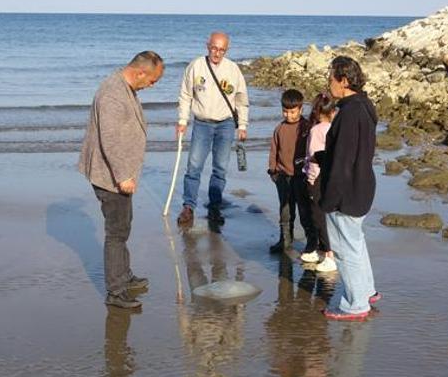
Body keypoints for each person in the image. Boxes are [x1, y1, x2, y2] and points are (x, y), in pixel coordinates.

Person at [78, 51, 164, 309]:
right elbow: (110, 140)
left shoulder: (125, 86)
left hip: (119, 174)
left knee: (124, 225)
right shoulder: (113, 94)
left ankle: (124, 276)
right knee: (116, 232)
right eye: (152, 81)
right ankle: (116, 292)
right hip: (111, 176)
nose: (152, 86)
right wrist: (123, 176)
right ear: (140, 72)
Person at [319, 56, 381, 321]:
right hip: (363, 184)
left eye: (331, 78)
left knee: (346, 248)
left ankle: (356, 304)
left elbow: (344, 161)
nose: (329, 83)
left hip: (348, 189)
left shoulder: (349, 112)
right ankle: (366, 291)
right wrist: (324, 156)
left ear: (344, 81)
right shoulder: (364, 105)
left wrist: (328, 199)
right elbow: (352, 151)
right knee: (356, 242)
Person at [176, 32, 249, 227]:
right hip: (201, 123)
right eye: (214, 48)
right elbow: (185, 95)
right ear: (207, 45)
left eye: (222, 50)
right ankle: (188, 207)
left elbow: (242, 100)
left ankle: (214, 207)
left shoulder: (233, 70)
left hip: (225, 124)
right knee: (194, 167)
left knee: (220, 169)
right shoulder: (196, 66)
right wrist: (183, 120)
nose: (217, 53)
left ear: (227, 50)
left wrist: (242, 125)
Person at [267, 89, 316, 254]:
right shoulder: (279, 129)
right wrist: (273, 170)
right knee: (285, 211)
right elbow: (274, 150)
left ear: (301, 109)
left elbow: (313, 149)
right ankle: (285, 240)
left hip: (301, 177)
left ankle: (311, 242)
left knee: (305, 212)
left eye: (293, 111)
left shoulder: (306, 127)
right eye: (285, 111)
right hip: (283, 176)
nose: (288, 115)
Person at [300, 92, 337, 272]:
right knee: (326, 216)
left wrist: (311, 178)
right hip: (330, 177)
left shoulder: (316, 130)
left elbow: (314, 157)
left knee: (318, 216)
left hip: (316, 178)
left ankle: (328, 253)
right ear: (332, 112)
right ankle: (324, 250)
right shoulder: (334, 128)